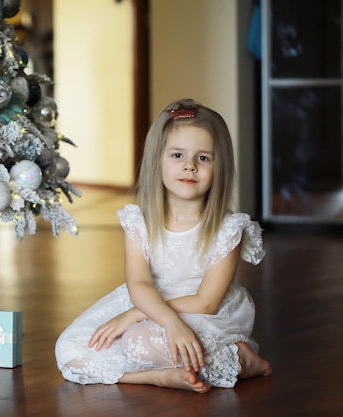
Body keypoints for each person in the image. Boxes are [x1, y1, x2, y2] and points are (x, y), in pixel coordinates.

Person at [55, 98, 272, 393]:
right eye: (177, 154)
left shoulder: (228, 228)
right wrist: (152, 315)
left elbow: (206, 301)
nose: (189, 166)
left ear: (219, 166)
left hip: (203, 313)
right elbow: (140, 284)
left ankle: (242, 360)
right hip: (148, 302)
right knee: (69, 348)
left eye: (203, 158)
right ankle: (158, 376)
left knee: (139, 342)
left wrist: (140, 316)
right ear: (157, 159)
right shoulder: (138, 222)